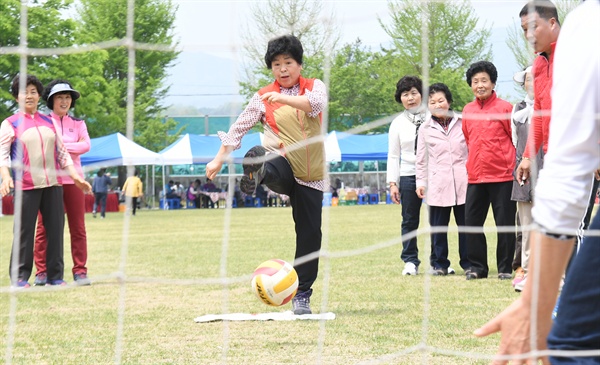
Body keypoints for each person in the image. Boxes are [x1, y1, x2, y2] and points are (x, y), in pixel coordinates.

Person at [475, 1, 600, 363]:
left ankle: (557, 280)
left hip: (575, 153)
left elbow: (572, 149)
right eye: (523, 30)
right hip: (563, 151)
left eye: (534, 27)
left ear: (553, 23)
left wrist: (534, 305)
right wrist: (530, 152)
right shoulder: (541, 65)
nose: (529, 35)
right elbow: (544, 116)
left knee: (571, 343)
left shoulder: (584, 29)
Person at [206, 34, 327, 315]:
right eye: (276, 64)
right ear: (271, 68)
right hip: (282, 163)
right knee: (265, 159)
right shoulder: (262, 97)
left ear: (299, 64)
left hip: (311, 173)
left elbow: (316, 105)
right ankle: (257, 173)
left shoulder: (313, 87)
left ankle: (303, 293)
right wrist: (217, 160)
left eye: (288, 62)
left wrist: (283, 98)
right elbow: (238, 129)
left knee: (310, 233)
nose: (282, 69)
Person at [0, 74, 91, 287]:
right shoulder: (10, 123)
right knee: (24, 231)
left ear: (39, 95)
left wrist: (76, 178)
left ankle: (55, 276)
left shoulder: (48, 121)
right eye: (24, 92)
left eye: (33, 92)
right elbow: (3, 155)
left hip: (54, 184)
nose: (29, 96)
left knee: (55, 229)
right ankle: (20, 278)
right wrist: (5, 177)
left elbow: (62, 153)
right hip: (27, 185)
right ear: (16, 97)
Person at [33, 80, 92, 286]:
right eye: (60, 97)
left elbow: (86, 145)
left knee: (78, 228)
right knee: (44, 228)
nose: (65, 101)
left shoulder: (78, 124)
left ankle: (80, 271)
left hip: (74, 181)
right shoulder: (42, 122)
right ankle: (41, 271)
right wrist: (69, 146)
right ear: (51, 100)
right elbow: (43, 146)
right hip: (50, 180)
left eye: (68, 97)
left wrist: (60, 145)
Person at [462, 61, 516, 280]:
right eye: (475, 82)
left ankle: (504, 268)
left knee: (504, 224)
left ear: (493, 83)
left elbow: (515, 139)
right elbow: (468, 139)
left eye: (484, 80)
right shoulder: (467, 110)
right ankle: (477, 268)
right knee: (472, 224)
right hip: (476, 176)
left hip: (503, 175)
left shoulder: (505, 108)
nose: (480, 85)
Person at [415, 83, 470, 276]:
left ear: (448, 101)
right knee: (438, 228)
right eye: (432, 102)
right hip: (437, 183)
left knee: (466, 227)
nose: (437, 104)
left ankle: (469, 263)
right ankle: (439, 264)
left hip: (464, 181)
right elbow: (421, 159)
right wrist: (420, 182)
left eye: (441, 100)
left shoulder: (463, 122)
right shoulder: (424, 129)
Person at [386, 75, 427, 276]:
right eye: (405, 94)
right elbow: (394, 155)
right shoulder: (397, 123)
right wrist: (393, 183)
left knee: (439, 218)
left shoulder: (433, 116)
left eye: (414, 93)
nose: (410, 98)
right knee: (409, 219)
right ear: (400, 98)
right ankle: (410, 260)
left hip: (433, 175)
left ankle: (440, 260)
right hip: (408, 175)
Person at [509, 66, 539, 292]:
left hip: (548, 173)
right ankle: (526, 271)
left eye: (536, 79)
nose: (532, 83)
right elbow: (514, 140)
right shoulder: (517, 110)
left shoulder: (551, 107)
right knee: (526, 227)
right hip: (524, 175)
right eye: (528, 79)